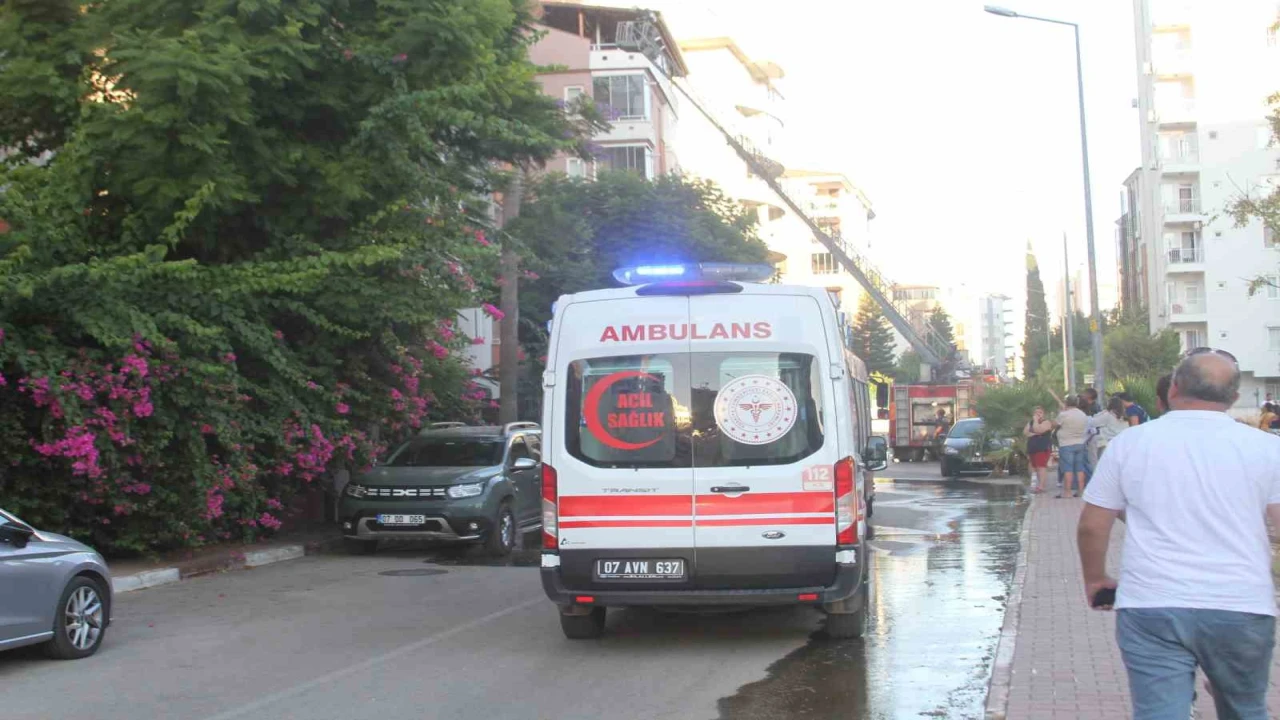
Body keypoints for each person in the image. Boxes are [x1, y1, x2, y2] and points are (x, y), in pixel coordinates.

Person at [1077, 349, 1280, 720]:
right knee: (1246, 710)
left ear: (1173, 389)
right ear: (1233, 399)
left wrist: (1095, 579)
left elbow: (1092, 524)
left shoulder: (1129, 445)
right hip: (1241, 604)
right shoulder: (1268, 449)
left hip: (1152, 604)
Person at [1049, 390, 1089, 498]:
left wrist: (1060, 412)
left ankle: (1067, 492)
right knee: (1080, 468)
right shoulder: (1082, 414)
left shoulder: (1064, 415)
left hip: (1066, 444)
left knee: (1068, 469)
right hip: (1080, 443)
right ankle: (1081, 491)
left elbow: (1053, 425)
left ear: (1066, 403)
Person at [1023, 405, 1054, 494]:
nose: (1038, 414)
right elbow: (1026, 432)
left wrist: (1036, 425)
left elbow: (1039, 430)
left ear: (1043, 414)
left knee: (1041, 466)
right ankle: (1035, 485)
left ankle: (1041, 486)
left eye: (1040, 412)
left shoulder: (1046, 422)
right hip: (1032, 448)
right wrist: (1035, 431)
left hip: (1042, 448)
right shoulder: (1031, 422)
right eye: (1036, 413)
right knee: (1033, 467)